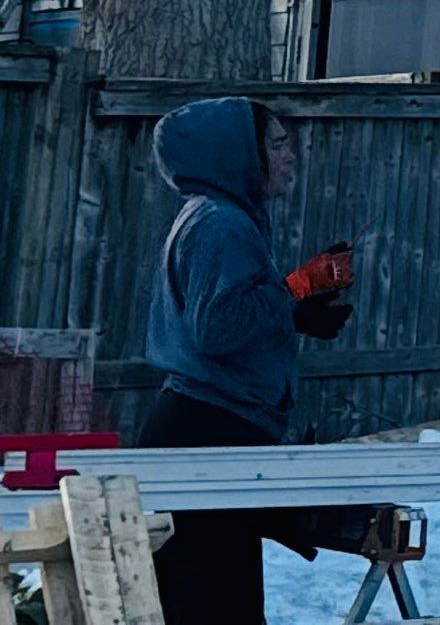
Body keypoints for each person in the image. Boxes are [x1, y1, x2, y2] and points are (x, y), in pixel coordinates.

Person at [139, 98, 355, 625]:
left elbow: (225, 317)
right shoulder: (222, 224)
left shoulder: (218, 218)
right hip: (206, 434)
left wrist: (296, 315)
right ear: (238, 156)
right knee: (214, 607)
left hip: (207, 428)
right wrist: (299, 287)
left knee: (209, 598)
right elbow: (218, 329)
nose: (291, 156)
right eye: (277, 144)